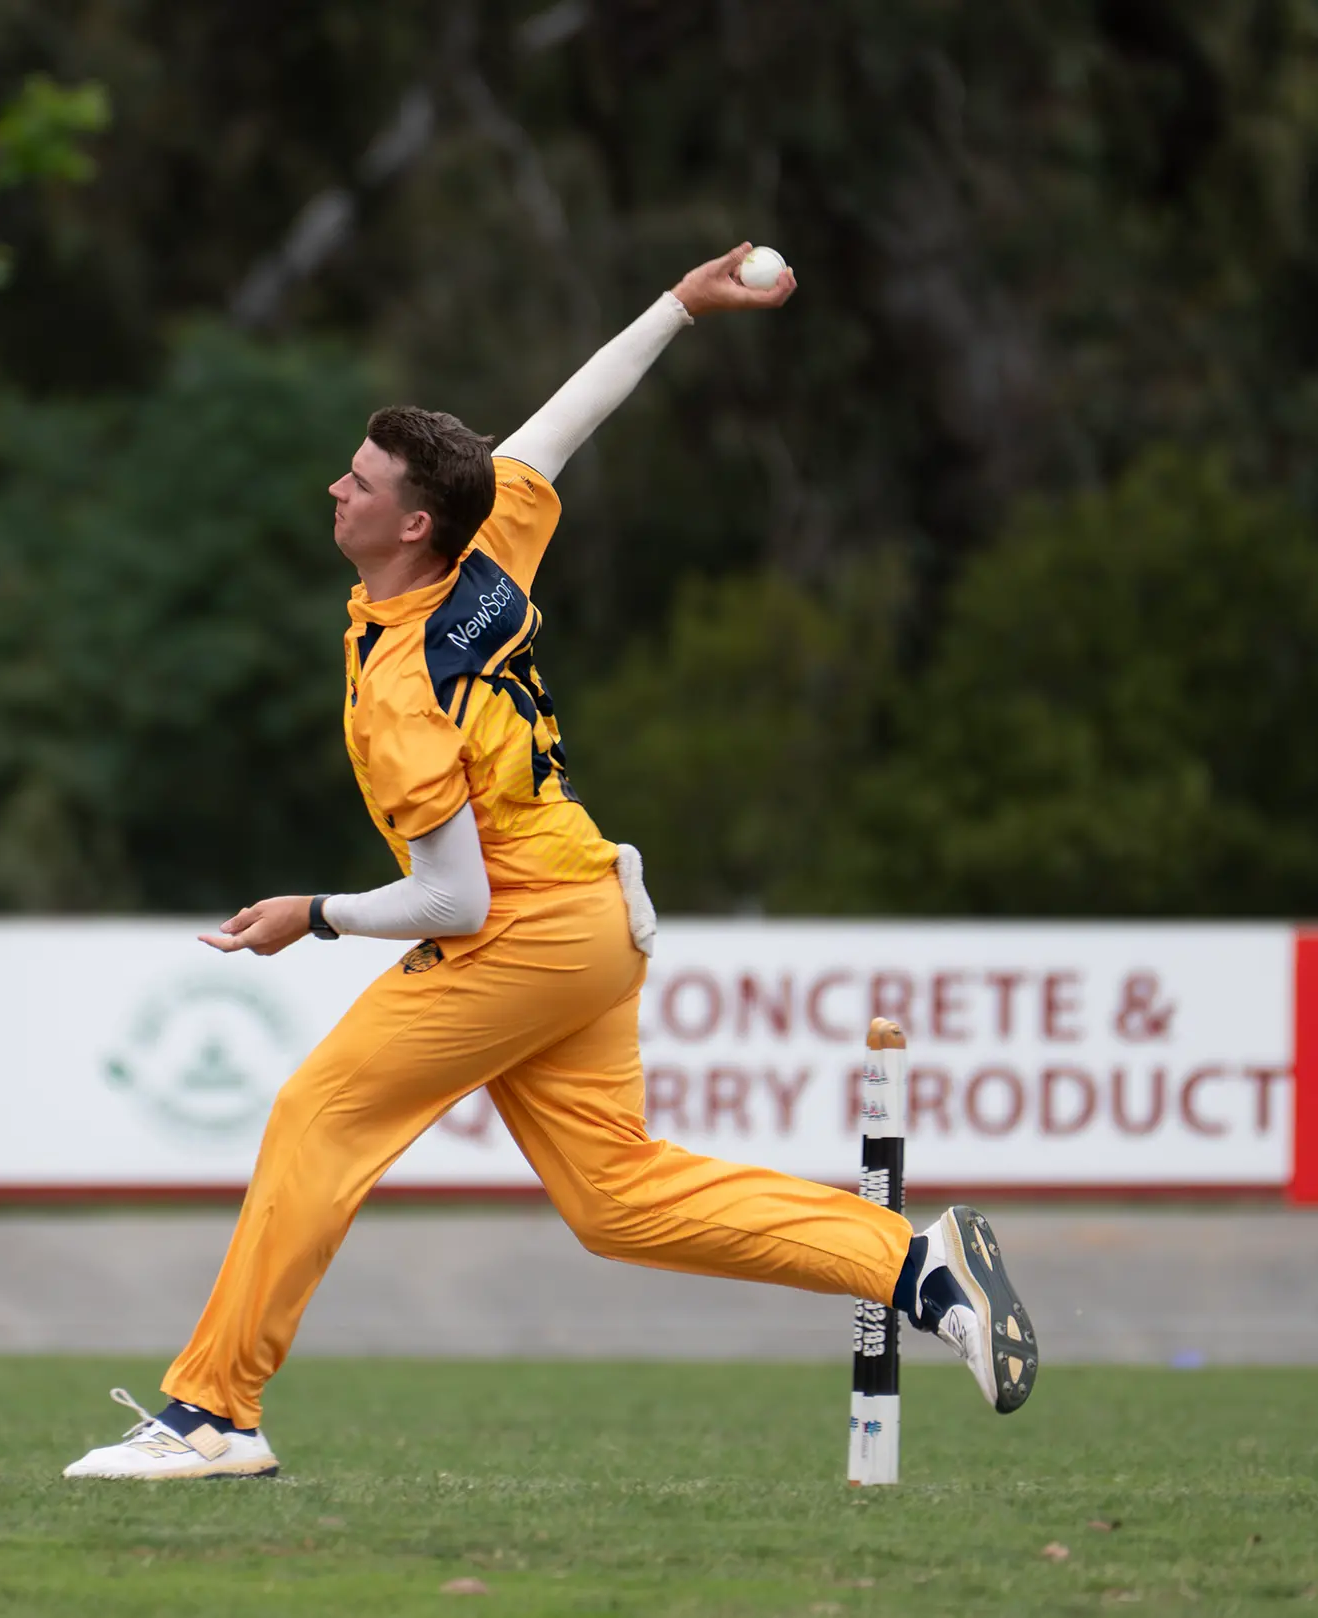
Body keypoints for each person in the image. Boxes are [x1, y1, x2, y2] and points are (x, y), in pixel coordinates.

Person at [64, 246, 1038, 1481]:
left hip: (519, 927)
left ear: (413, 522)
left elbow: (451, 898)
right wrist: (680, 307)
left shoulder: (405, 683)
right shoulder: (485, 556)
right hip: (596, 919)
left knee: (320, 1113)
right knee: (616, 1200)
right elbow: (560, 427)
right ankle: (915, 1263)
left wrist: (311, 915)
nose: (334, 488)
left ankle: (213, 1413)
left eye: (356, 482)